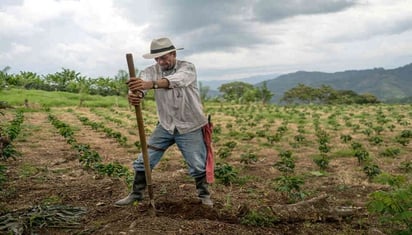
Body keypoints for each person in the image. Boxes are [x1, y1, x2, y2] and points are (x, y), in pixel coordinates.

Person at [115, 37, 213, 207]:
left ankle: (204, 196)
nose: (161, 61)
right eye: (157, 58)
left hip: (190, 125)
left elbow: (176, 81)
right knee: (144, 159)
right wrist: (135, 95)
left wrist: (150, 85)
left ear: (173, 54)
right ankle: (136, 194)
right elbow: (140, 88)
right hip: (166, 125)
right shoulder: (150, 71)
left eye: (164, 57)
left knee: (197, 164)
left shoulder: (187, 68)